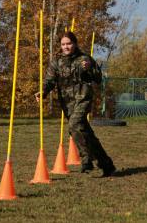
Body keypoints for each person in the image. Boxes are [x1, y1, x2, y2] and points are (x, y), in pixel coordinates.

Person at [35, 31, 116, 177]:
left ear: (75, 44)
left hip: (83, 99)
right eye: (63, 44)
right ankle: (107, 164)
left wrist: (89, 68)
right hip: (67, 103)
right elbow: (49, 81)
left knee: (74, 125)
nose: (66, 47)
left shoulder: (84, 59)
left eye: (69, 43)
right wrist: (43, 92)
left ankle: (86, 159)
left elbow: (98, 79)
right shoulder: (56, 62)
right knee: (85, 132)